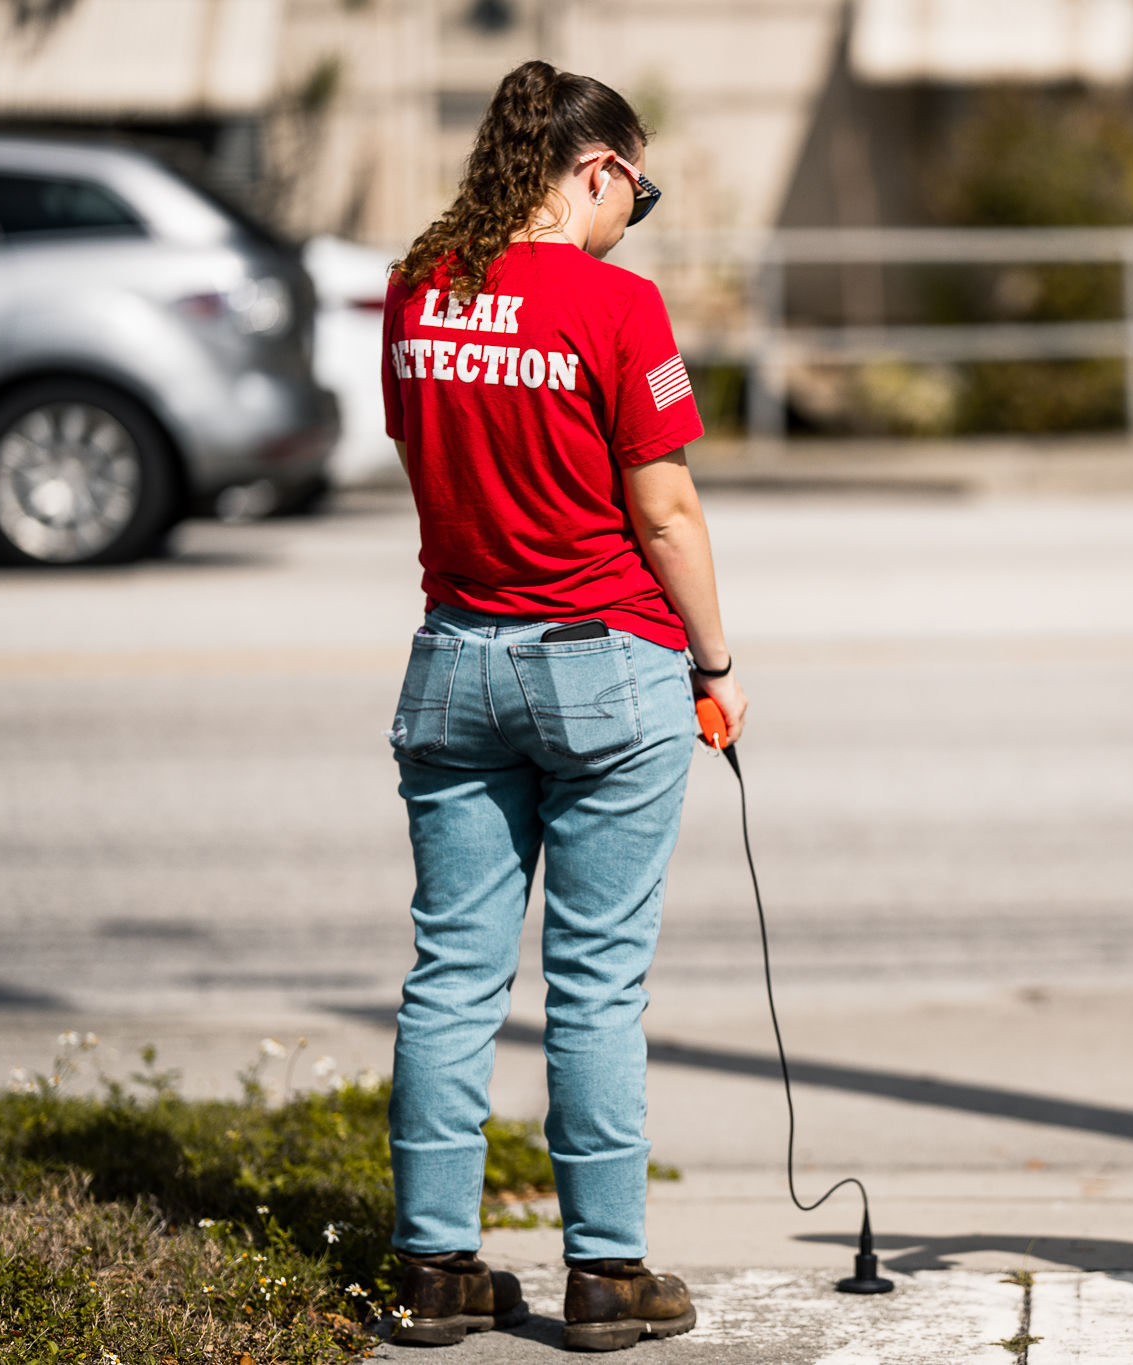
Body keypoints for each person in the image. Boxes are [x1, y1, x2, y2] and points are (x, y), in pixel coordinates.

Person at [378, 60, 744, 1352]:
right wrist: (714, 662)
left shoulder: (419, 289)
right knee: (594, 985)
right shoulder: (616, 306)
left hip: (456, 655)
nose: (628, 221)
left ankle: (433, 1265)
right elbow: (667, 508)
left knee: (452, 976)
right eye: (632, 197)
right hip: (607, 661)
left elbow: (420, 458)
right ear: (597, 172)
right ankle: (606, 1272)